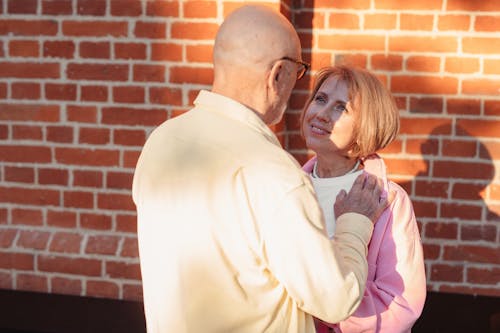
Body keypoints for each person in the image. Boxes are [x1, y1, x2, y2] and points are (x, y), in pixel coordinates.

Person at [132, 5, 390, 333]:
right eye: (298, 71)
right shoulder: (273, 172)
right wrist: (354, 223)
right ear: (278, 74)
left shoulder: (161, 140)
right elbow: (336, 300)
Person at [300, 65, 426, 333]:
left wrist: (326, 314)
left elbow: (400, 304)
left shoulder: (389, 200)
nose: (321, 114)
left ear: (365, 128)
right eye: (320, 99)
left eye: (340, 108)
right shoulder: (286, 186)